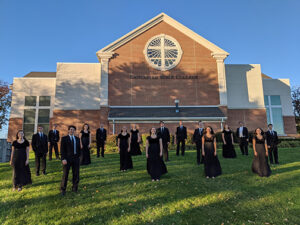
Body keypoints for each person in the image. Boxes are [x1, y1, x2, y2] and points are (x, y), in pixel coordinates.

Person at [60, 125, 81, 196]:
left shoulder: (77, 139)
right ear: (68, 130)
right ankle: (63, 189)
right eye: (71, 129)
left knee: (76, 174)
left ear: (75, 131)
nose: (72, 131)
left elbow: (79, 149)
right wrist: (63, 159)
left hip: (75, 159)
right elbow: (62, 150)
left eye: (73, 130)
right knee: (65, 174)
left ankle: (75, 187)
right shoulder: (64, 138)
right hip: (67, 159)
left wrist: (79, 157)